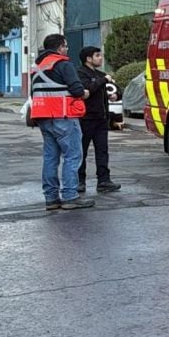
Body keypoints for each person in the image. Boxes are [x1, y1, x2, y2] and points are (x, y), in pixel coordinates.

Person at [29, 34, 92, 210]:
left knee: (50, 158)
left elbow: (33, 93)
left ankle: (51, 198)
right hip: (63, 116)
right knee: (72, 156)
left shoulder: (36, 67)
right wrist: (84, 93)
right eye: (65, 46)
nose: (67, 50)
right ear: (58, 48)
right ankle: (70, 196)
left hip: (42, 116)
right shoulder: (63, 64)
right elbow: (77, 89)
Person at [76, 46, 122, 194]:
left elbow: (114, 88)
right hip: (85, 119)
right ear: (88, 59)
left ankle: (104, 180)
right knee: (81, 151)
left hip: (101, 119)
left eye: (100, 55)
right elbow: (88, 88)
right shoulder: (80, 73)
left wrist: (116, 94)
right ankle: (79, 181)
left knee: (102, 151)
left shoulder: (101, 75)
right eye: (97, 55)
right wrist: (103, 80)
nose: (101, 58)